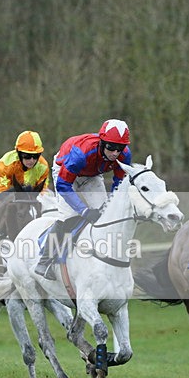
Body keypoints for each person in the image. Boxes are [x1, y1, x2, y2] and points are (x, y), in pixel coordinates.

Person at [34, 119, 132, 280]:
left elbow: (118, 183)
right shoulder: (81, 153)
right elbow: (63, 185)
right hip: (65, 172)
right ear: (102, 142)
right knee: (68, 217)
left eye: (119, 148)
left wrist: (112, 204)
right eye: (111, 148)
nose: (115, 153)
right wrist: (84, 210)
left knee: (106, 214)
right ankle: (45, 260)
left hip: (91, 175)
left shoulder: (124, 155)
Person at [0, 130, 49, 194]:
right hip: (1, 192)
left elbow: (43, 192)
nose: (32, 160)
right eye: (27, 156)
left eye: (36, 156)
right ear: (18, 153)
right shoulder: (6, 163)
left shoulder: (43, 166)